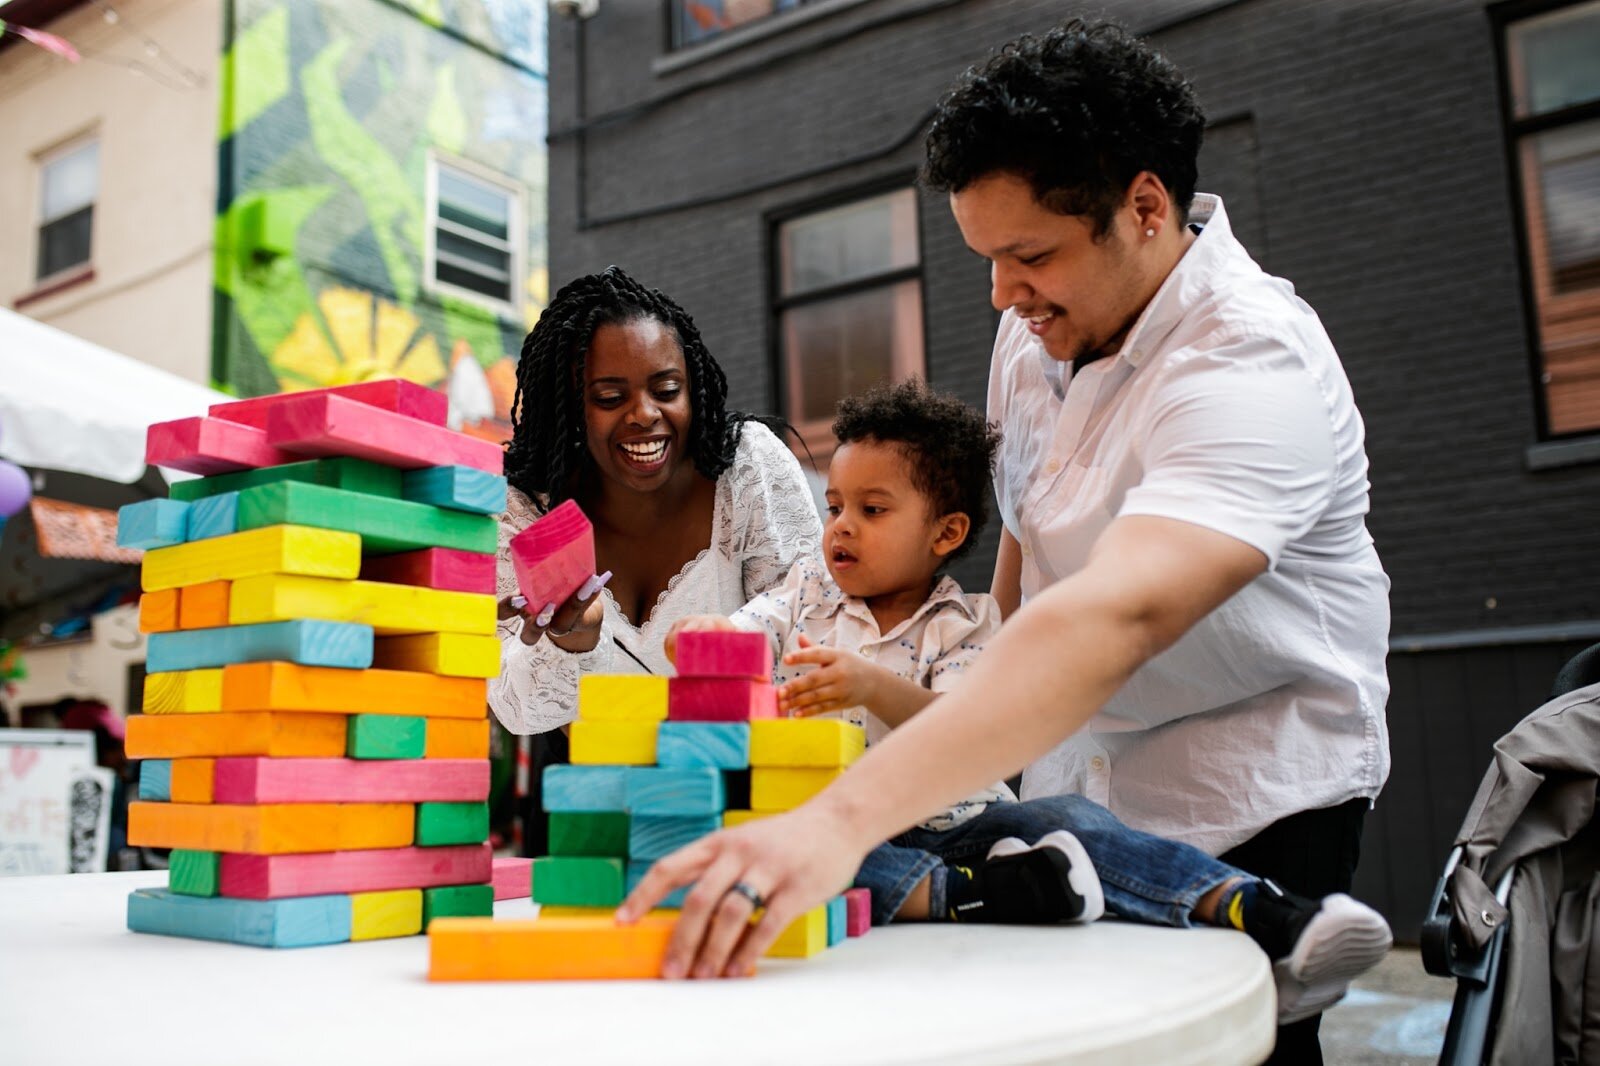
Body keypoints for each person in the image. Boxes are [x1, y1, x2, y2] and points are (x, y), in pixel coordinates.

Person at [623, 21, 1390, 1063]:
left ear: (1146, 209)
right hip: (1081, 772)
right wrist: (991, 745)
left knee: (1222, 1042)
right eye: (987, 259)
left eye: (1029, 256)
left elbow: (1116, 611)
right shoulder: (1032, 337)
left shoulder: (1252, 367)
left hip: (1251, 782)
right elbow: (1027, 546)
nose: (1000, 295)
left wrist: (835, 822)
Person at [667, 381, 1390, 1019]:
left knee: (1071, 818)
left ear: (945, 532)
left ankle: (1250, 905)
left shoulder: (971, 622)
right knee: (820, 857)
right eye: (835, 507)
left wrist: (869, 684)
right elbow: (746, 633)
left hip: (956, 824)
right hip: (848, 829)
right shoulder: (805, 594)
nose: (841, 526)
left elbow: (965, 725)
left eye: (873, 508)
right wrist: (705, 634)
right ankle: (986, 892)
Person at [490, 265, 822, 736]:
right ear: (566, 408)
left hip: (760, 785)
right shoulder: (524, 512)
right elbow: (519, 710)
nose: (645, 414)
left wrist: (725, 652)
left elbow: (810, 642)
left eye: (667, 390)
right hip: (603, 796)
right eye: (609, 397)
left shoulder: (745, 466)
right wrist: (574, 641)